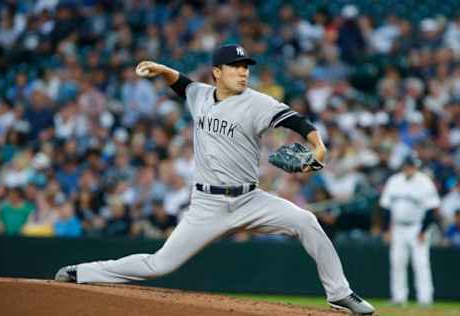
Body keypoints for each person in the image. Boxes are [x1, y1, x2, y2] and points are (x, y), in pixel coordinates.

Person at [55, 44, 374, 315]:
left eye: (245, 66)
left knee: (306, 221)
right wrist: (163, 70)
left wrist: (318, 144)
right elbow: (181, 83)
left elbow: (297, 121)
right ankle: (81, 272)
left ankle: (339, 294)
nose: (243, 71)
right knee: (159, 265)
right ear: (217, 72)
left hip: (251, 200)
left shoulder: (258, 102)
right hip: (207, 204)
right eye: (235, 66)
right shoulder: (200, 96)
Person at [380, 153, 440, 306]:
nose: (411, 168)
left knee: (421, 263)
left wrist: (423, 231)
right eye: (409, 165)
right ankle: (399, 298)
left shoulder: (424, 182)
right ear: (403, 166)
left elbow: (432, 209)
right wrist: (387, 230)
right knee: (397, 262)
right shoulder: (394, 181)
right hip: (398, 227)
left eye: (413, 166)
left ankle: (425, 299)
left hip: (417, 227)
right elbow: (386, 208)